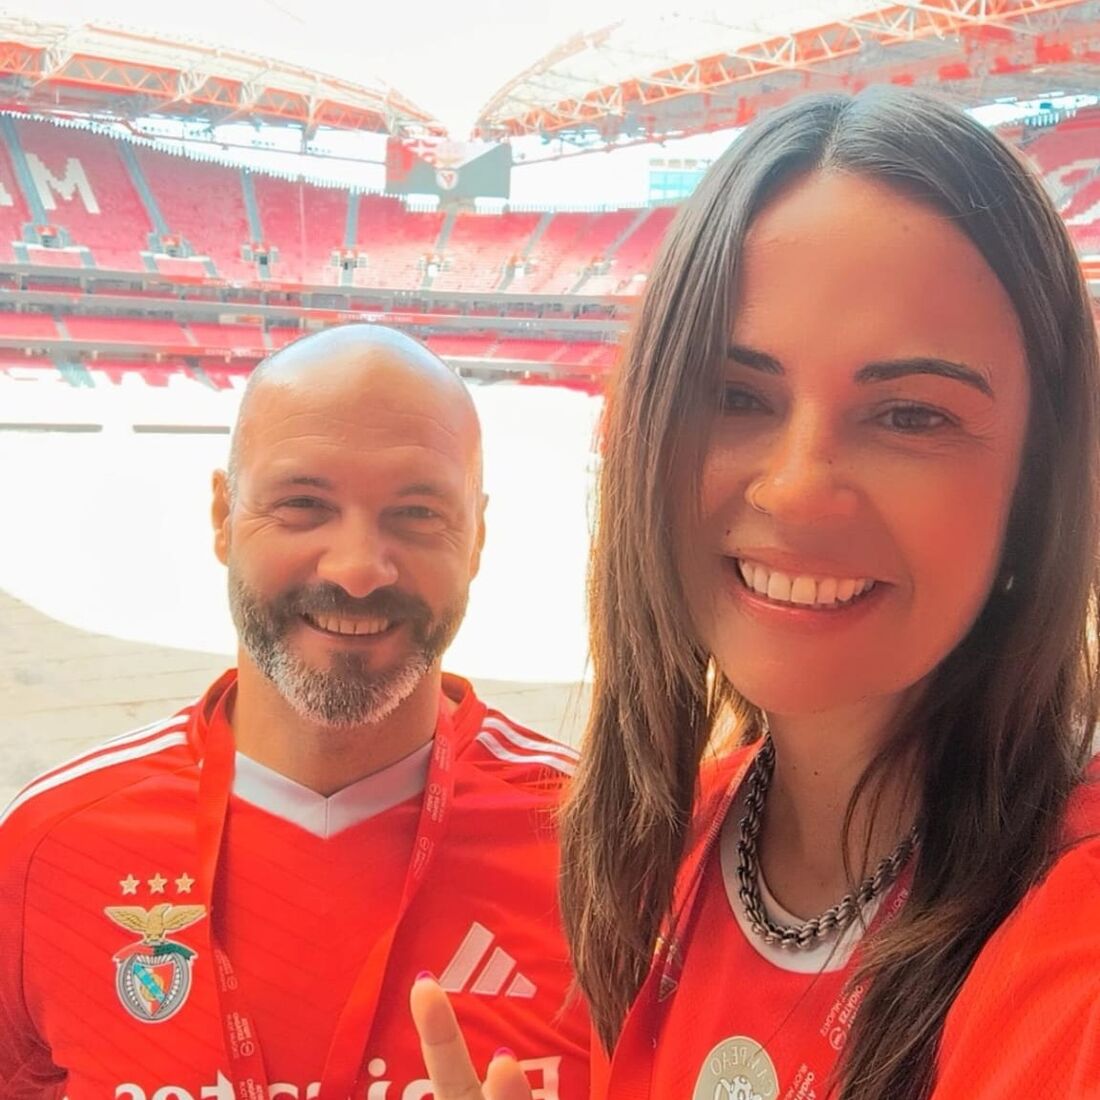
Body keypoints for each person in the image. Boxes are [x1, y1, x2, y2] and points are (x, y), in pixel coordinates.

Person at [410, 89, 1100, 1099]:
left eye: (911, 415)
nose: (794, 488)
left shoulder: (1072, 953)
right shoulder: (668, 844)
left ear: (1037, 486)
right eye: (735, 396)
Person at [0, 325, 589, 1099]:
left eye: (417, 513)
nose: (357, 569)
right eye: (304, 505)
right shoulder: (48, 849)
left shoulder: (599, 844)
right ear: (223, 515)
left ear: (475, 537)